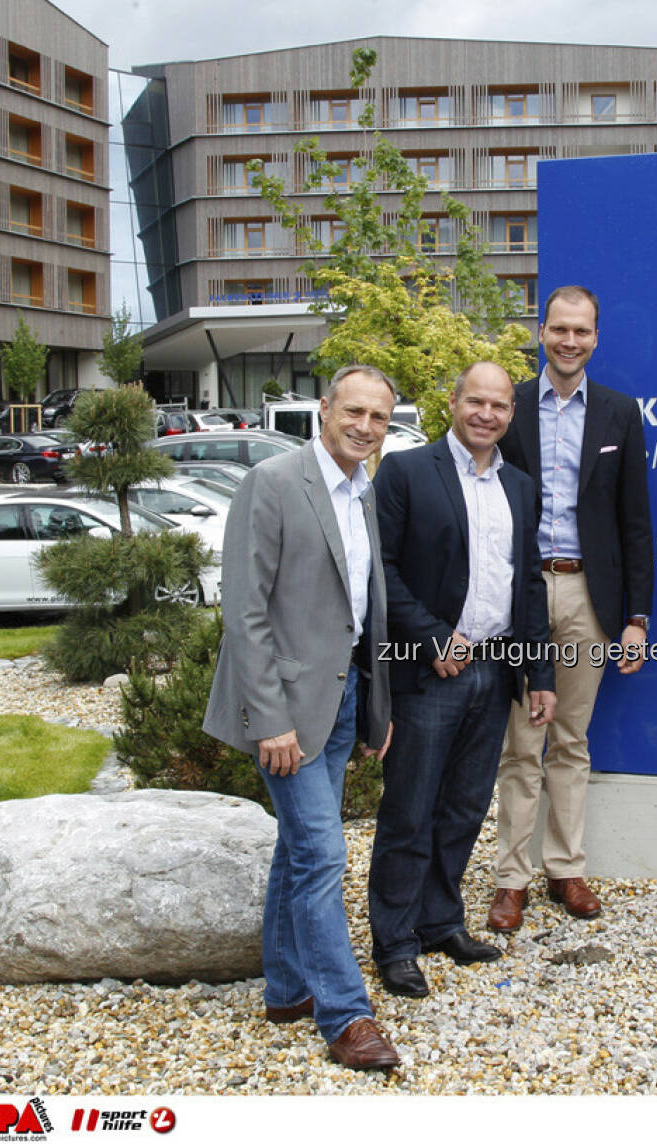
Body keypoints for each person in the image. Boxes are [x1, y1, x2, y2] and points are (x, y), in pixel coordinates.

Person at [203, 364, 400, 1071]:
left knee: (297, 850)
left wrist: (377, 709)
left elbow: (363, 609)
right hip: (285, 707)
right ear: (324, 409)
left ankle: (286, 989)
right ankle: (347, 1016)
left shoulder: (364, 491)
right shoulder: (276, 483)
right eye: (353, 411)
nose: (365, 426)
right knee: (321, 852)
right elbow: (245, 612)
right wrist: (270, 720)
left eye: (378, 417)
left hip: (344, 700)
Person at [368, 361, 557, 997]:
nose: (487, 414)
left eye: (499, 406)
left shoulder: (522, 489)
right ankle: (393, 942)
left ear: (510, 414)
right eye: (475, 401)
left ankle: (439, 920)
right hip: (430, 674)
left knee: (464, 809)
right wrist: (428, 636)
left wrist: (539, 672)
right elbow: (382, 569)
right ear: (452, 403)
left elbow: (528, 583)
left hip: (496, 669)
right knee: (409, 812)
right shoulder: (405, 472)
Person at [486, 285, 654, 934]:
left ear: (595, 337)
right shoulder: (512, 406)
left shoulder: (620, 413)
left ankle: (566, 869)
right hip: (521, 594)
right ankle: (509, 881)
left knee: (572, 739)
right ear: (541, 331)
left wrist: (637, 616)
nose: (569, 341)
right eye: (559, 329)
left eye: (581, 331)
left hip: (589, 595)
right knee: (521, 742)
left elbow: (635, 522)